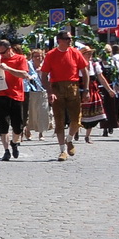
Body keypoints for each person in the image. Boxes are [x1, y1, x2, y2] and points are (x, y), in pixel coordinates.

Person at [39, 30, 89, 161]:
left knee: (76, 119)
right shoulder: (51, 54)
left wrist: (86, 90)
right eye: (67, 38)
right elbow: (44, 75)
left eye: (70, 38)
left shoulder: (75, 52)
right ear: (59, 40)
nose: (69, 40)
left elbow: (85, 71)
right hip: (56, 88)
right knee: (59, 120)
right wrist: (50, 92)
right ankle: (62, 150)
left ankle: (69, 139)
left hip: (73, 87)